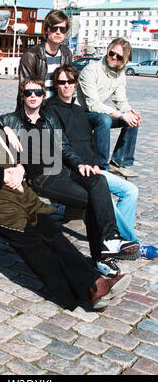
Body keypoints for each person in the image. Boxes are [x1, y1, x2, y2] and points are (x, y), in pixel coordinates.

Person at [0, 70, 132, 312]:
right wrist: (2, 175)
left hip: (13, 189)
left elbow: (9, 151)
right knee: (29, 238)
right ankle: (69, 294)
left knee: (51, 230)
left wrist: (16, 168)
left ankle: (93, 284)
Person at [0, 78, 140, 278]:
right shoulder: (12, 119)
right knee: (92, 200)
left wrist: (80, 164)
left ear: (43, 96)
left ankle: (110, 239)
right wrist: (5, 129)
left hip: (64, 170)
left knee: (98, 179)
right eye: (28, 92)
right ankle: (102, 258)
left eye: (38, 93)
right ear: (22, 96)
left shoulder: (50, 120)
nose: (33, 96)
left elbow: (64, 147)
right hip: (43, 177)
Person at [46, 64, 156, 260]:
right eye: (62, 82)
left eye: (70, 82)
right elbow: (60, 147)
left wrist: (95, 162)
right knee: (106, 201)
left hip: (92, 168)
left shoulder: (79, 111)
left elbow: (89, 142)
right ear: (56, 85)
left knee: (131, 191)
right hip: (73, 170)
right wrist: (81, 164)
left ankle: (121, 241)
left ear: (75, 83)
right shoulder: (50, 110)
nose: (66, 86)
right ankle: (134, 245)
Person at [76, 38, 142, 177]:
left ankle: (119, 162)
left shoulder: (120, 75)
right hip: (80, 113)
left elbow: (121, 100)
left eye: (119, 56)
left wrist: (129, 112)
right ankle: (101, 166)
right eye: (112, 53)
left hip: (97, 112)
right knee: (104, 119)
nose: (114, 57)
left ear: (124, 60)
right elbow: (93, 104)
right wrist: (121, 114)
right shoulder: (91, 70)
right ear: (108, 51)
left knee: (132, 120)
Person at [17, 10, 72, 105]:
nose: (58, 32)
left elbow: (68, 85)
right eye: (54, 28)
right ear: (47, 30)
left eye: (62, 29)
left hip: (59, 107)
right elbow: (26, 90)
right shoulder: (31, 55)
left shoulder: (66, 54)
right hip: (37, 107)